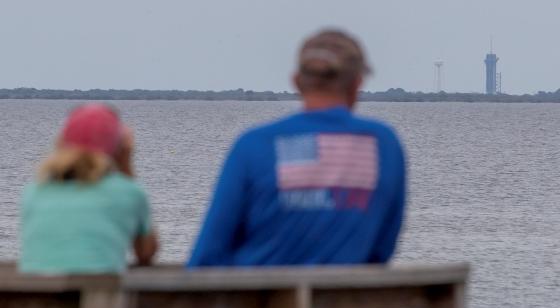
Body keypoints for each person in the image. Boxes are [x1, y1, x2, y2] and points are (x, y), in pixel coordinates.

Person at [188, 29, 406, 267]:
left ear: (297, 82)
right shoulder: (384, 145)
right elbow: (382, 248)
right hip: (341, 300)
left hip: (255, 299)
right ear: (357, 84)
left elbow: (208, 253)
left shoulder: (254, 145)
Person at [19, 103, 157, 274]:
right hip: (100, 299)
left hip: (36, 298)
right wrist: (126, 166)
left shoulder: (34, 192)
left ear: (62, 143)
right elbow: (146, 252)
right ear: (118, 147)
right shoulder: (128, 192)